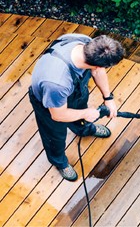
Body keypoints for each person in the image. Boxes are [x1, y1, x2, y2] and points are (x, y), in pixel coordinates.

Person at [29, 33, 125, 181]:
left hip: (75, 92)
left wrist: (108, 98)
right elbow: (58, 115)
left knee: (80, 115)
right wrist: (86, 113)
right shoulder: (56, 82)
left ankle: (84, 129)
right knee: (55, 137)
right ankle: (60, 162)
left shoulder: (86, 43)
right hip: (50, 106)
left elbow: (97, 70)